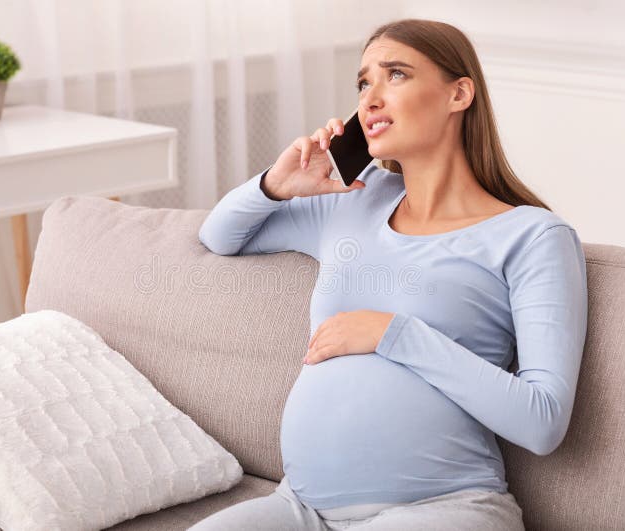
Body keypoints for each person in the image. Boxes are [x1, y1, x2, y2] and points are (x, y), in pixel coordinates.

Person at [190, 18, 587, 531]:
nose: (370, 99)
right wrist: (276, 184)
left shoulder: (532, 236)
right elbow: (219, 236)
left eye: (395, 75)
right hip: (300, 510)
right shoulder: (354, 201)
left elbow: (543, 421)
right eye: (363, 83)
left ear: (458, 93)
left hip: (442, 510)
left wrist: (391, 333)